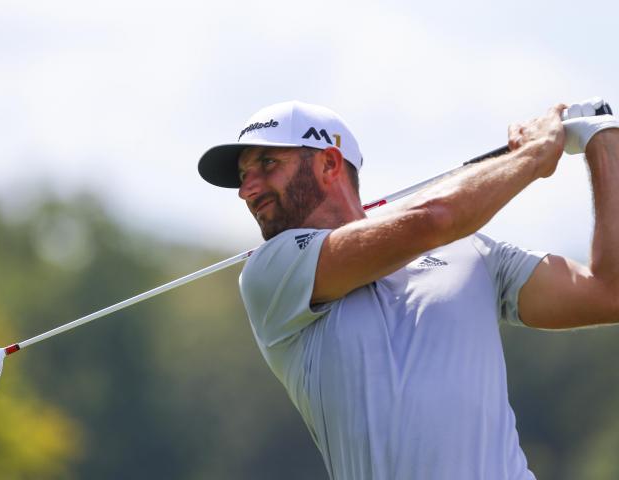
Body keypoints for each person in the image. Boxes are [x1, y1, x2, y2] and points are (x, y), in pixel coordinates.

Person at [197, 100, 619, 479]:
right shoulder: (271, 272)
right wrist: (534, 156)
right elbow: (432, 219)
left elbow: (607, 292)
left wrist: (603, 136)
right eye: (243, 175)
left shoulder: (471, 248)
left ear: (328, 165)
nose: (246, 190)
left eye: (267, 164)